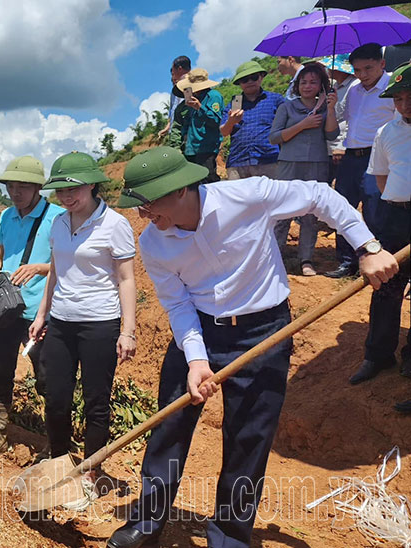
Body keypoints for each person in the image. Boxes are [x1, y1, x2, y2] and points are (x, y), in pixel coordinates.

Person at [106, 146, 398, 548]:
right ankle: (147, 522)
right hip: (200, 331)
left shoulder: (248, 195)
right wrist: (196, 360)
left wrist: (367, 247)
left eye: (148, 203)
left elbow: (319, 195)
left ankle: (230, 537)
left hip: (263, 334)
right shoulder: (154, 243)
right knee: (168, 429)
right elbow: (177, 304)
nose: (143, 214)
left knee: (248, 440)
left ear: (180, 190)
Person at [28, 152, 138, 509]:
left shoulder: (115, 224)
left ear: (92, 184)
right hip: (61, 321)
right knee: (56, 398)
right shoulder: (59, 223)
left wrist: (128, 330)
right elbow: (56, 271)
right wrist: (43, 314)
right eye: (60, 190)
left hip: (99, 324)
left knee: (96, 402)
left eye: (72, 189)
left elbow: (126, 279)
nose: (66, 196)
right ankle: (59, 464)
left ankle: (90, 473)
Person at [0, 156, 63, 458]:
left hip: (41, 312)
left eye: (23, 187)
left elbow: (67, 262)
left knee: (48, 378)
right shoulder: (6, 216)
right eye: (11, 187)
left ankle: (55, 444)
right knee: (0, 372)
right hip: (7, 309)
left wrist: (40, 268)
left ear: (38, 188)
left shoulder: (58, 218)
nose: (15, 192)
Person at [351, 62, 411, 389]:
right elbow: (381, 177)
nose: (404, 105)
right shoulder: (386, 132)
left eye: (410, 96)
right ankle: (377, 355)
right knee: (386, 285)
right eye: (398, 99)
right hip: (396, 217)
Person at [327, 43, 397, 278]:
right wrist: (331, 104)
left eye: (368, 68)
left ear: (382, 64)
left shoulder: (393, 87)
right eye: (357, 70)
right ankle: (347, 261)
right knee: (343, 207)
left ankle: (377, 259)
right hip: (350, 157)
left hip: (378, 156)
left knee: (374, 209)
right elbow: (345, 119)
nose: (362, 74)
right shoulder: (354, 89)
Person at [269, 62, 339, 276]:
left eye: (313, 82)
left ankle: (306, 260)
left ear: (321, 85)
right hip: (289, 164)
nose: (307, 86)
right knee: (282, 212)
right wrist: (303, 125)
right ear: (297, 85)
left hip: (317, 164)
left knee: (310, 214)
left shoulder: (325, 107)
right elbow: (274, 137)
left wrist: (331, 109)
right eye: (303, 82)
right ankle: (275, 257)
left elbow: (332, 135)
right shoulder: (287, 107)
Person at [220, 60, 284, 179]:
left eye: (254, 77)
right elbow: (224, 132)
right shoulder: (234, 104)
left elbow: (285, 128)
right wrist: (231, 121)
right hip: (238, 161)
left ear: (261, 77)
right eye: (245, 80)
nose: (249, 82)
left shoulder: (276, 100)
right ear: (239, 83)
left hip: (269, 160)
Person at [177, 68, 223, 182]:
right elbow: (187, 122)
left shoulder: (213, 96)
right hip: (190, 149)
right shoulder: (193, 99)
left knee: (208, 181)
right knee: (193, 183)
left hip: (206, 148)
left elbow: (215, 121)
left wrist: (199, 108)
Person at [328, 54, 358, 181]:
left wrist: (341, 146)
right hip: (330, 148)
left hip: (342, 149)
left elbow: (352, 119)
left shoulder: (354, 86)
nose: (328, 69)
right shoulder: (335, 86)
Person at [158, 56, 191, 140]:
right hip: (174, 132)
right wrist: (167, 128)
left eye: (173, 73)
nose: (173, 77)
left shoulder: (190, 86)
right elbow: (172, 112)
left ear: (179, 69)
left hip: (184, 131)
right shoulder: (174, 92)